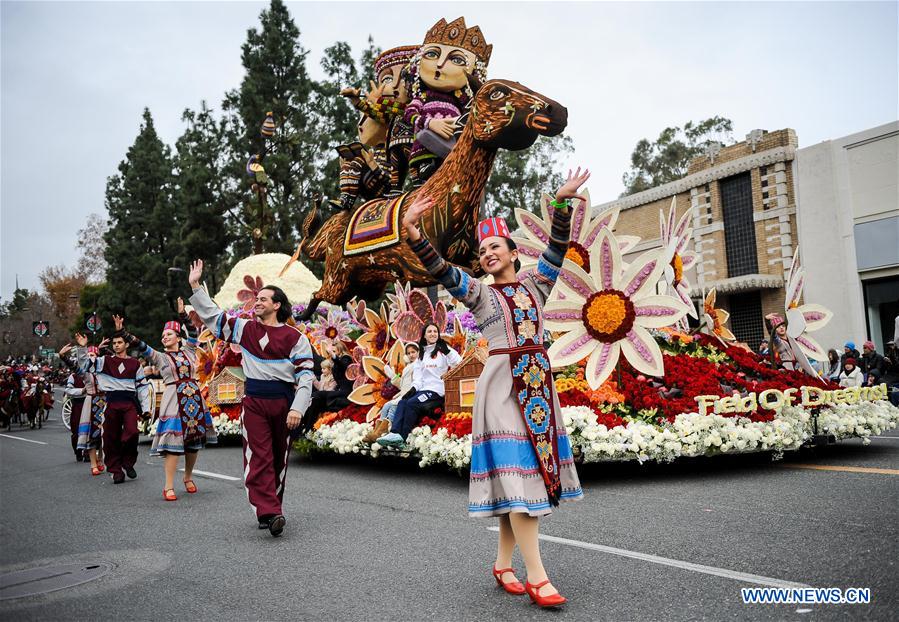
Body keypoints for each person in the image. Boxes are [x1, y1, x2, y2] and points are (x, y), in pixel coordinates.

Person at [399, 168, 589, 607]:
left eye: (494, 248)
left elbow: (558, 249)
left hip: (538, 388)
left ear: (512, 252)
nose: (486, 254)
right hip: (501, 388)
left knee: (516, 480)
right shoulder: (480, 294)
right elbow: (443, 271)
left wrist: (560, 203)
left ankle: (504, 564)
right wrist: (412, 233)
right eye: (482, 250)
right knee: (519, 480)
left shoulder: (537, 286)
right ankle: (538, 576)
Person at [188, 260, 314, 537]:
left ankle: (271, 508)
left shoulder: (296, 338)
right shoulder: (244, 329)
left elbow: (305, 377)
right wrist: (196, 287)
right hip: (254, 400)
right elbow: (214, 318)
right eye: (256, 299)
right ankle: (269, 512)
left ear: (277, 304)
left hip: (284, 402)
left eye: (263, 299)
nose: (256, 302)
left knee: (278, 458)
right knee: (258, 457)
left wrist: (297, 409)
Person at [114, 303, 218, 502]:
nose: (164, 337)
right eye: (163, 335)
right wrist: (123, 333)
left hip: (193, 398)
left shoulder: (189, 350)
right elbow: (141, 345)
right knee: (173, 443)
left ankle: (188, 477)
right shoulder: (160, 357)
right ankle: (168, 485)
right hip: (174, 399)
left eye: (168, 334)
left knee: (193, 442)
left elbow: (194, 332)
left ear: (178, 337)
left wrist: (182, 315)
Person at [76, 330, 151, 484]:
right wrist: (83, 348)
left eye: (119, 343)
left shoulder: (135, 364)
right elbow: (84, 366)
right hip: (111, 402)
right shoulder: (105, 361)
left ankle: (128, 463)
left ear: (127, 345)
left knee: (132, 432)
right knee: (110, 438)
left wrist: (146, 408)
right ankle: (116, 470)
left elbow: (142, 388)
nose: (116, 345)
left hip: (129, 403)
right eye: (114, 343)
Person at [376, 324, 461, 448]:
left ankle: (402, 437)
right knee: (403, 401)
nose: (432, 334)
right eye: (429, 331)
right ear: (425, 335)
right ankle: (394, 434)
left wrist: (447, 352)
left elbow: (458, 363)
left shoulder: (444, 349)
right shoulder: (422, 355)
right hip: (423, 390)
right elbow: (418, 378)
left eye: (435, 331)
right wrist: (413, 389)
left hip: (437, 392)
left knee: (412, 403)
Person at [363, 341, 419, 443]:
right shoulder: (407, 367)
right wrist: (393, 376)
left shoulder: (418, 365)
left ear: (418, 352)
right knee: (386, 406)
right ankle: (376, 431)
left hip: (411, 395)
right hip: (403, 394)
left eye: (413, 352)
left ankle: (380, 432)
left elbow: (415, 384)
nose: (411, 355)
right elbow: (402, 385)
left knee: (393, 406)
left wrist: (404, 393)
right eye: (408, 353)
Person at [300, 339, 354, 434]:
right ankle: (307, 428)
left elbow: (343, 365)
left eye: (334, 351)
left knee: (317, 394)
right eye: (331, 351)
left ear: (340, 350)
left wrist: (333, 356)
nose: (332, 353)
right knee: (315, 400)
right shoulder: (336, 360)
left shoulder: (346, 358)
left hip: (345, 391)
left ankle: (307, 428)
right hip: (339, 390)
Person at [69, 342, 107, 475]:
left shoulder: (104, 372)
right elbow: (80, 363)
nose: (91, 358)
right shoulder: (84, 373)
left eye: (93, 355)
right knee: (92, 434)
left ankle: (101, 459)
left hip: (104, 402)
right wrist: (82, 348)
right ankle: (93, 464)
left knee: (104, 433)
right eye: (89, 355)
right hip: (90, 402)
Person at [59, 344, 87, 461]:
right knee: (76, 430)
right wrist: (82, 390)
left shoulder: (91, 374)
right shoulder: (73, 377)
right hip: (78, 405)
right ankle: (78, 452)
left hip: (90, 404)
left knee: (90, 429)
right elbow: (68, 390)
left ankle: (88, 452)